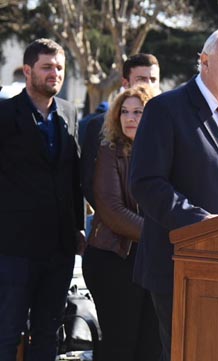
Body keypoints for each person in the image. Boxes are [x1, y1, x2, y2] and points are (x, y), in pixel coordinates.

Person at [129, 26, 218, 361]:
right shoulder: (166, 109)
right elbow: (147, 182)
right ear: (204, 62)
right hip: (181, 264)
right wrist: (205, 225)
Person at [0, 38, 84, 360]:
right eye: (47, 67)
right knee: (8, 333)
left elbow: (73, 175)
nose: (55, 74)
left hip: (60, 249)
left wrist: (78, 226)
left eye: (60, 68)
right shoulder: (5, 114)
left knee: (49, 334)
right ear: (27, 70)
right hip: (13, 250)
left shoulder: (69, 112)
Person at [82, 85, 161, 361]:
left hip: (151, 260)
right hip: (113, 258)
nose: (130, 118)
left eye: (138, 112)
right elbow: (112, 211)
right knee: (120, 346)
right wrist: (162, 236)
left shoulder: (162, 152)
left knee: (151, 347)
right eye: (125, 112)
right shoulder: (109, 150)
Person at [81, 53, 160, 208]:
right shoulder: (99, 126)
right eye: (142, 79)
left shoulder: (168, 126)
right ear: (125, 83)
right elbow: (89, 184)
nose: (149, 85)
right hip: (114, 223)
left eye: (153, 80)